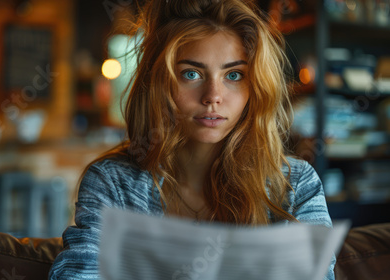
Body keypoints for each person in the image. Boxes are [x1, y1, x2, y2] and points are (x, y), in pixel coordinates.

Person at [49, 0, 335, 279]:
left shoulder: (296, 185)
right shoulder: (114, 183)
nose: (213, 96)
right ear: (161, 83)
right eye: (192, 74)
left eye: (233, 75)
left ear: (256, 87)